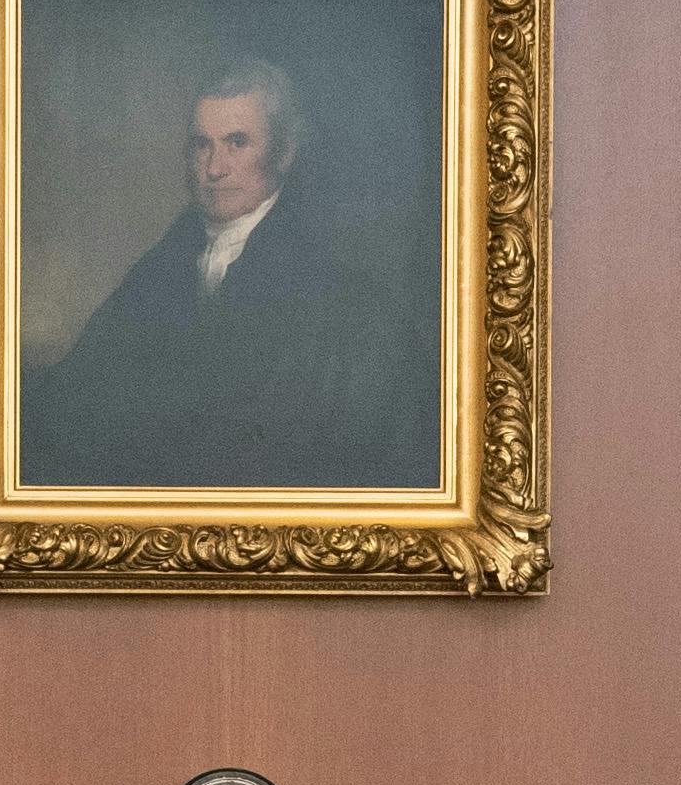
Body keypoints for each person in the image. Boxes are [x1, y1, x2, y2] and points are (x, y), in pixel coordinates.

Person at [26, 60, 434, 491]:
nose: (215, 168)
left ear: (284, 152)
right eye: (203, 145)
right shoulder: (160, 269)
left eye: (237, 143)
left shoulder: (334, 289)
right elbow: (80, 391)